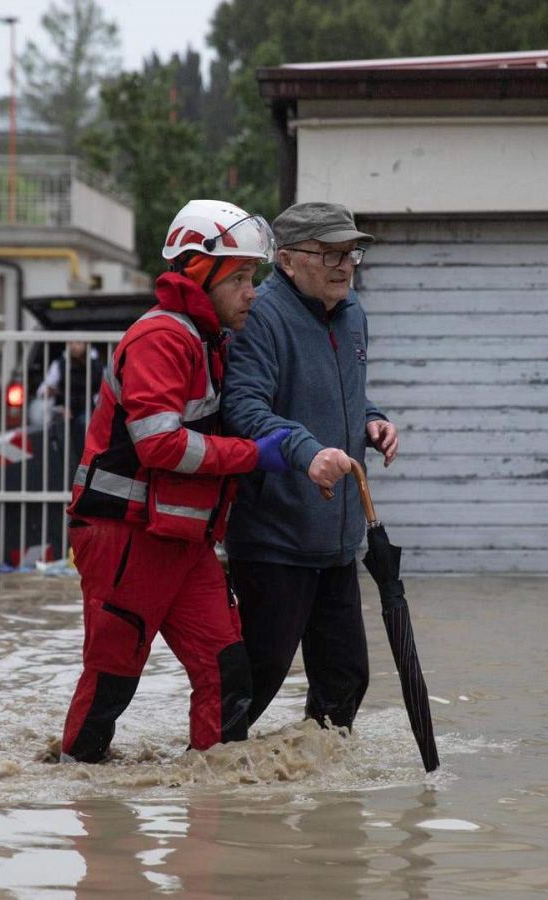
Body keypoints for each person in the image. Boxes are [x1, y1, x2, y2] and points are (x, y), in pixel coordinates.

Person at [59, 199, 298, 763]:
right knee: (112, 680)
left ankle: (215, 811)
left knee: (229, 675)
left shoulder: (206, 339)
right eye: (240, 277)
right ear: (198, 271)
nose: (252, 293)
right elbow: (159, 445)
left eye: (254, 278)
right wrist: (253, 456)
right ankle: (84, 809)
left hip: (181, 541)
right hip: (127, 536)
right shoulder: (162, 339)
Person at [223, 201, 399, 730]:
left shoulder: (352, 314)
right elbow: (244, 410)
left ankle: (323, 797)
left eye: (351, 253)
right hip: (275, 537)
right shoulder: (261, 316)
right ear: (289, 259)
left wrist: (373, 419)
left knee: (346, 679)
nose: (344, 265)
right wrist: (306, 450)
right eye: (329, 254)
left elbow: (343, 397)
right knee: (257, 680)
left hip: (338, 539)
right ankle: (204, 785)